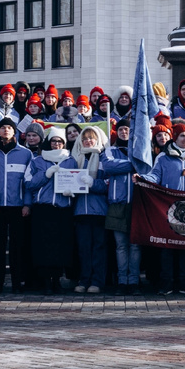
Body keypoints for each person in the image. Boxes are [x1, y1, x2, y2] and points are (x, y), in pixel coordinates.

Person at [140, 122, 185, 295]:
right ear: (175, 137)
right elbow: (155, 175)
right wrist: (143, 179)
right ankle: (166, 283)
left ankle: (184, 283)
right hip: (168, 209)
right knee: (167, 247)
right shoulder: (163, 157)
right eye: (183, 136)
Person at [0, 118, 33, 294]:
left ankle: (17, 282)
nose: (6, 130)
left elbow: (27, 183)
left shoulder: (26, 154)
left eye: (9, 127)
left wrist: (27, 204)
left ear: (14, 131)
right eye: (3, 127)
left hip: (17, 207)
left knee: (17, 247)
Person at [60, 125, 109, 294]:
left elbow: (108, 185)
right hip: (80, 211)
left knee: (99, 248)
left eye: (91, 138)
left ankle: (98, 281)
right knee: (83, 248)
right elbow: (66, 178)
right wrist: (67, 189)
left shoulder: (104, 159)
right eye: (85, 138)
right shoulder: (75, 159)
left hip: (99, 211)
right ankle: (84, 279)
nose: (88, 141)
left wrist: (93, 183)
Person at [25, 127, 74, 294]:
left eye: (60, 141)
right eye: (53, 141)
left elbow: (78, 180)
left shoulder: (70, 160)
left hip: (62, 209)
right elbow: (29, 183)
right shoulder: (37, 160)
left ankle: (57, 280)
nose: (56, 144)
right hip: (43, 209)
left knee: (60, 247)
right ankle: (45, 280)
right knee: (43, 247)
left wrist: (71, 191)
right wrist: (45, 174)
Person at [101, 119, 140, 295]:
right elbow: (109, 166)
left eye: (127, 129)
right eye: (122, 129)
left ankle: (134, 281)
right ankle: (122, 280)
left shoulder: (139, 151)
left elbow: (146, 167)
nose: (125, 132)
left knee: (135, 246)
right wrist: (133, 165)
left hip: (137, 203)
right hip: (117, 203)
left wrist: (132, 164)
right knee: (120, 246)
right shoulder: (111, 150)